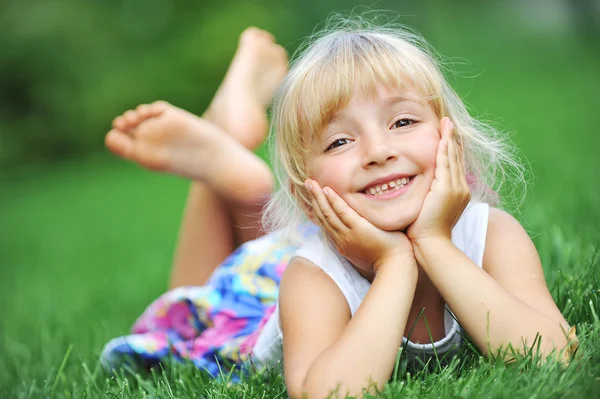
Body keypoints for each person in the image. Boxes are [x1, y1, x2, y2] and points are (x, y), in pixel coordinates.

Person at [102, 20, 578, 398]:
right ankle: (220, 173)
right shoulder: (312, 277)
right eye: (340, 141)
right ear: (308, 193)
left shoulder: (492, 235)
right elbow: (326, 392)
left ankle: (237, 165)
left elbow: (553, 355)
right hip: (265, 296)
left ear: (450, 136)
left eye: (404, 120)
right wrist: (394, 264)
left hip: (288, 256)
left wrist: (433, 243)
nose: (377, 150)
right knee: (193, 307)